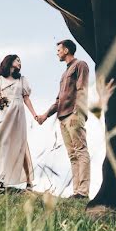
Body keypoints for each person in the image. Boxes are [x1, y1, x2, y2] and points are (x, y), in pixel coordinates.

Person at [36, 40, 90, 199]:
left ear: (66, 50)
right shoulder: (64, 73)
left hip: (74, 114)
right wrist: (45, 115)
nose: (57, 52)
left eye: (59, 49)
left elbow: (82, 89)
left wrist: (77, 112)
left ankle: (83, 191)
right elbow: (59, 100)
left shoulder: (80, 65)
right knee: (72, 154)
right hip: (62, 116)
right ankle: (76, 192)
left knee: (81, 151)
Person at [0, 54, 37, 190]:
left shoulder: (22, 80)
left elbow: (26, 99)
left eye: (20, 61)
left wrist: (35, 115)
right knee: (3, 143)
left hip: (19, 114)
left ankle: (29, 181)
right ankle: (0, 179)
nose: (20, 63)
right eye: (18, 60)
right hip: (5, 115)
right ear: (9, 61)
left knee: (21, 144)